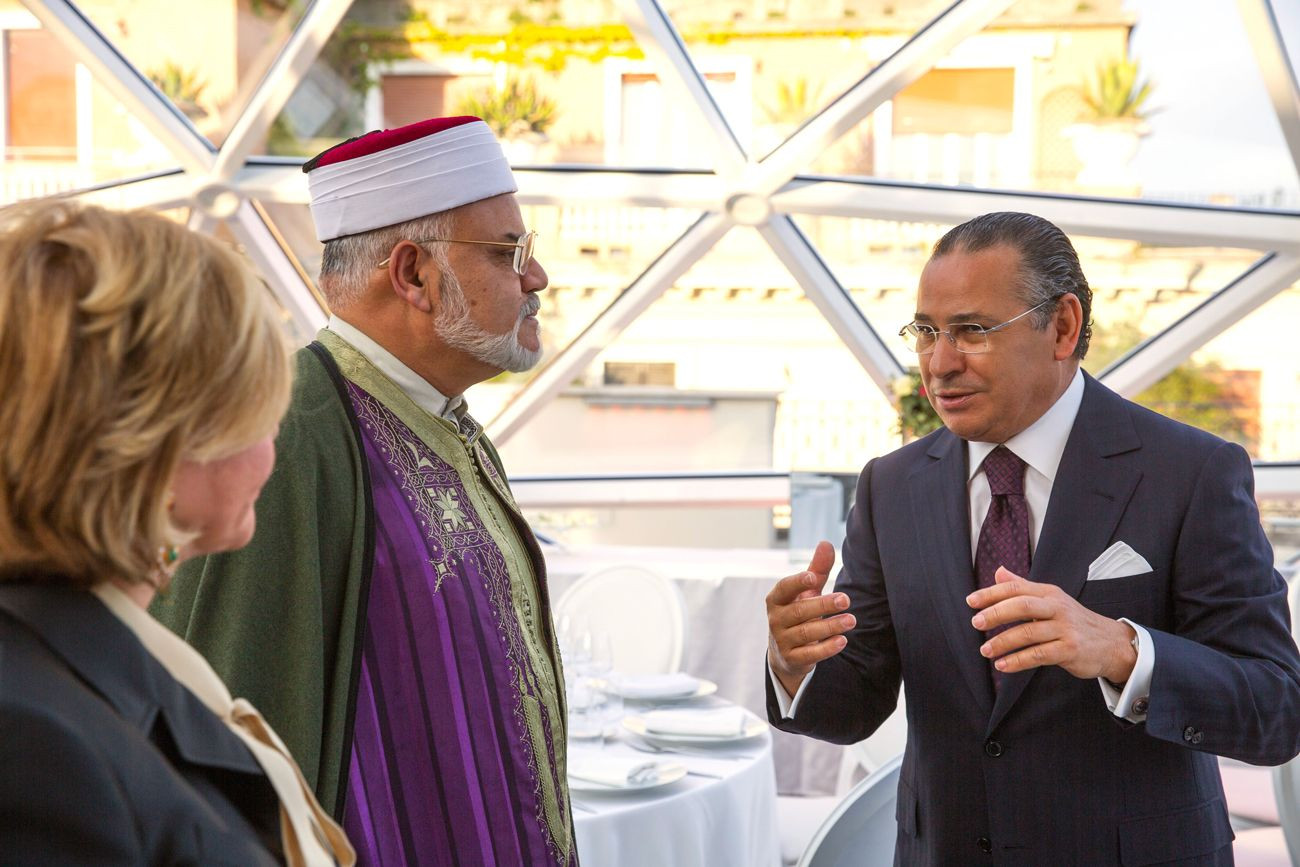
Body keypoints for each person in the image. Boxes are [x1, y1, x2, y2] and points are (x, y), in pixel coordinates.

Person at [765, 211, 1300, 865]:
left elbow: (1276, 709)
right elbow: (854, 706)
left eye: (972, 331)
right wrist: (796, 664)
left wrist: (1123, 651)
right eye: (927, 332)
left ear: (1064, 326)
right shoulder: (892, 486)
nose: (939, 363)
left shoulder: (1189, 472)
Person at [153, 115, 574, 866]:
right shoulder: (285, 438)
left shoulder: (451, 424)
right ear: (413, 274)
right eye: (510, 252)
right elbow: (226, 746)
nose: (535, 278)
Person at [0, 200, 354, 866]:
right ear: (156, 446)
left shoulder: (97, 655)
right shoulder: (31, 743)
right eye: (259, 413)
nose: (273, 447)